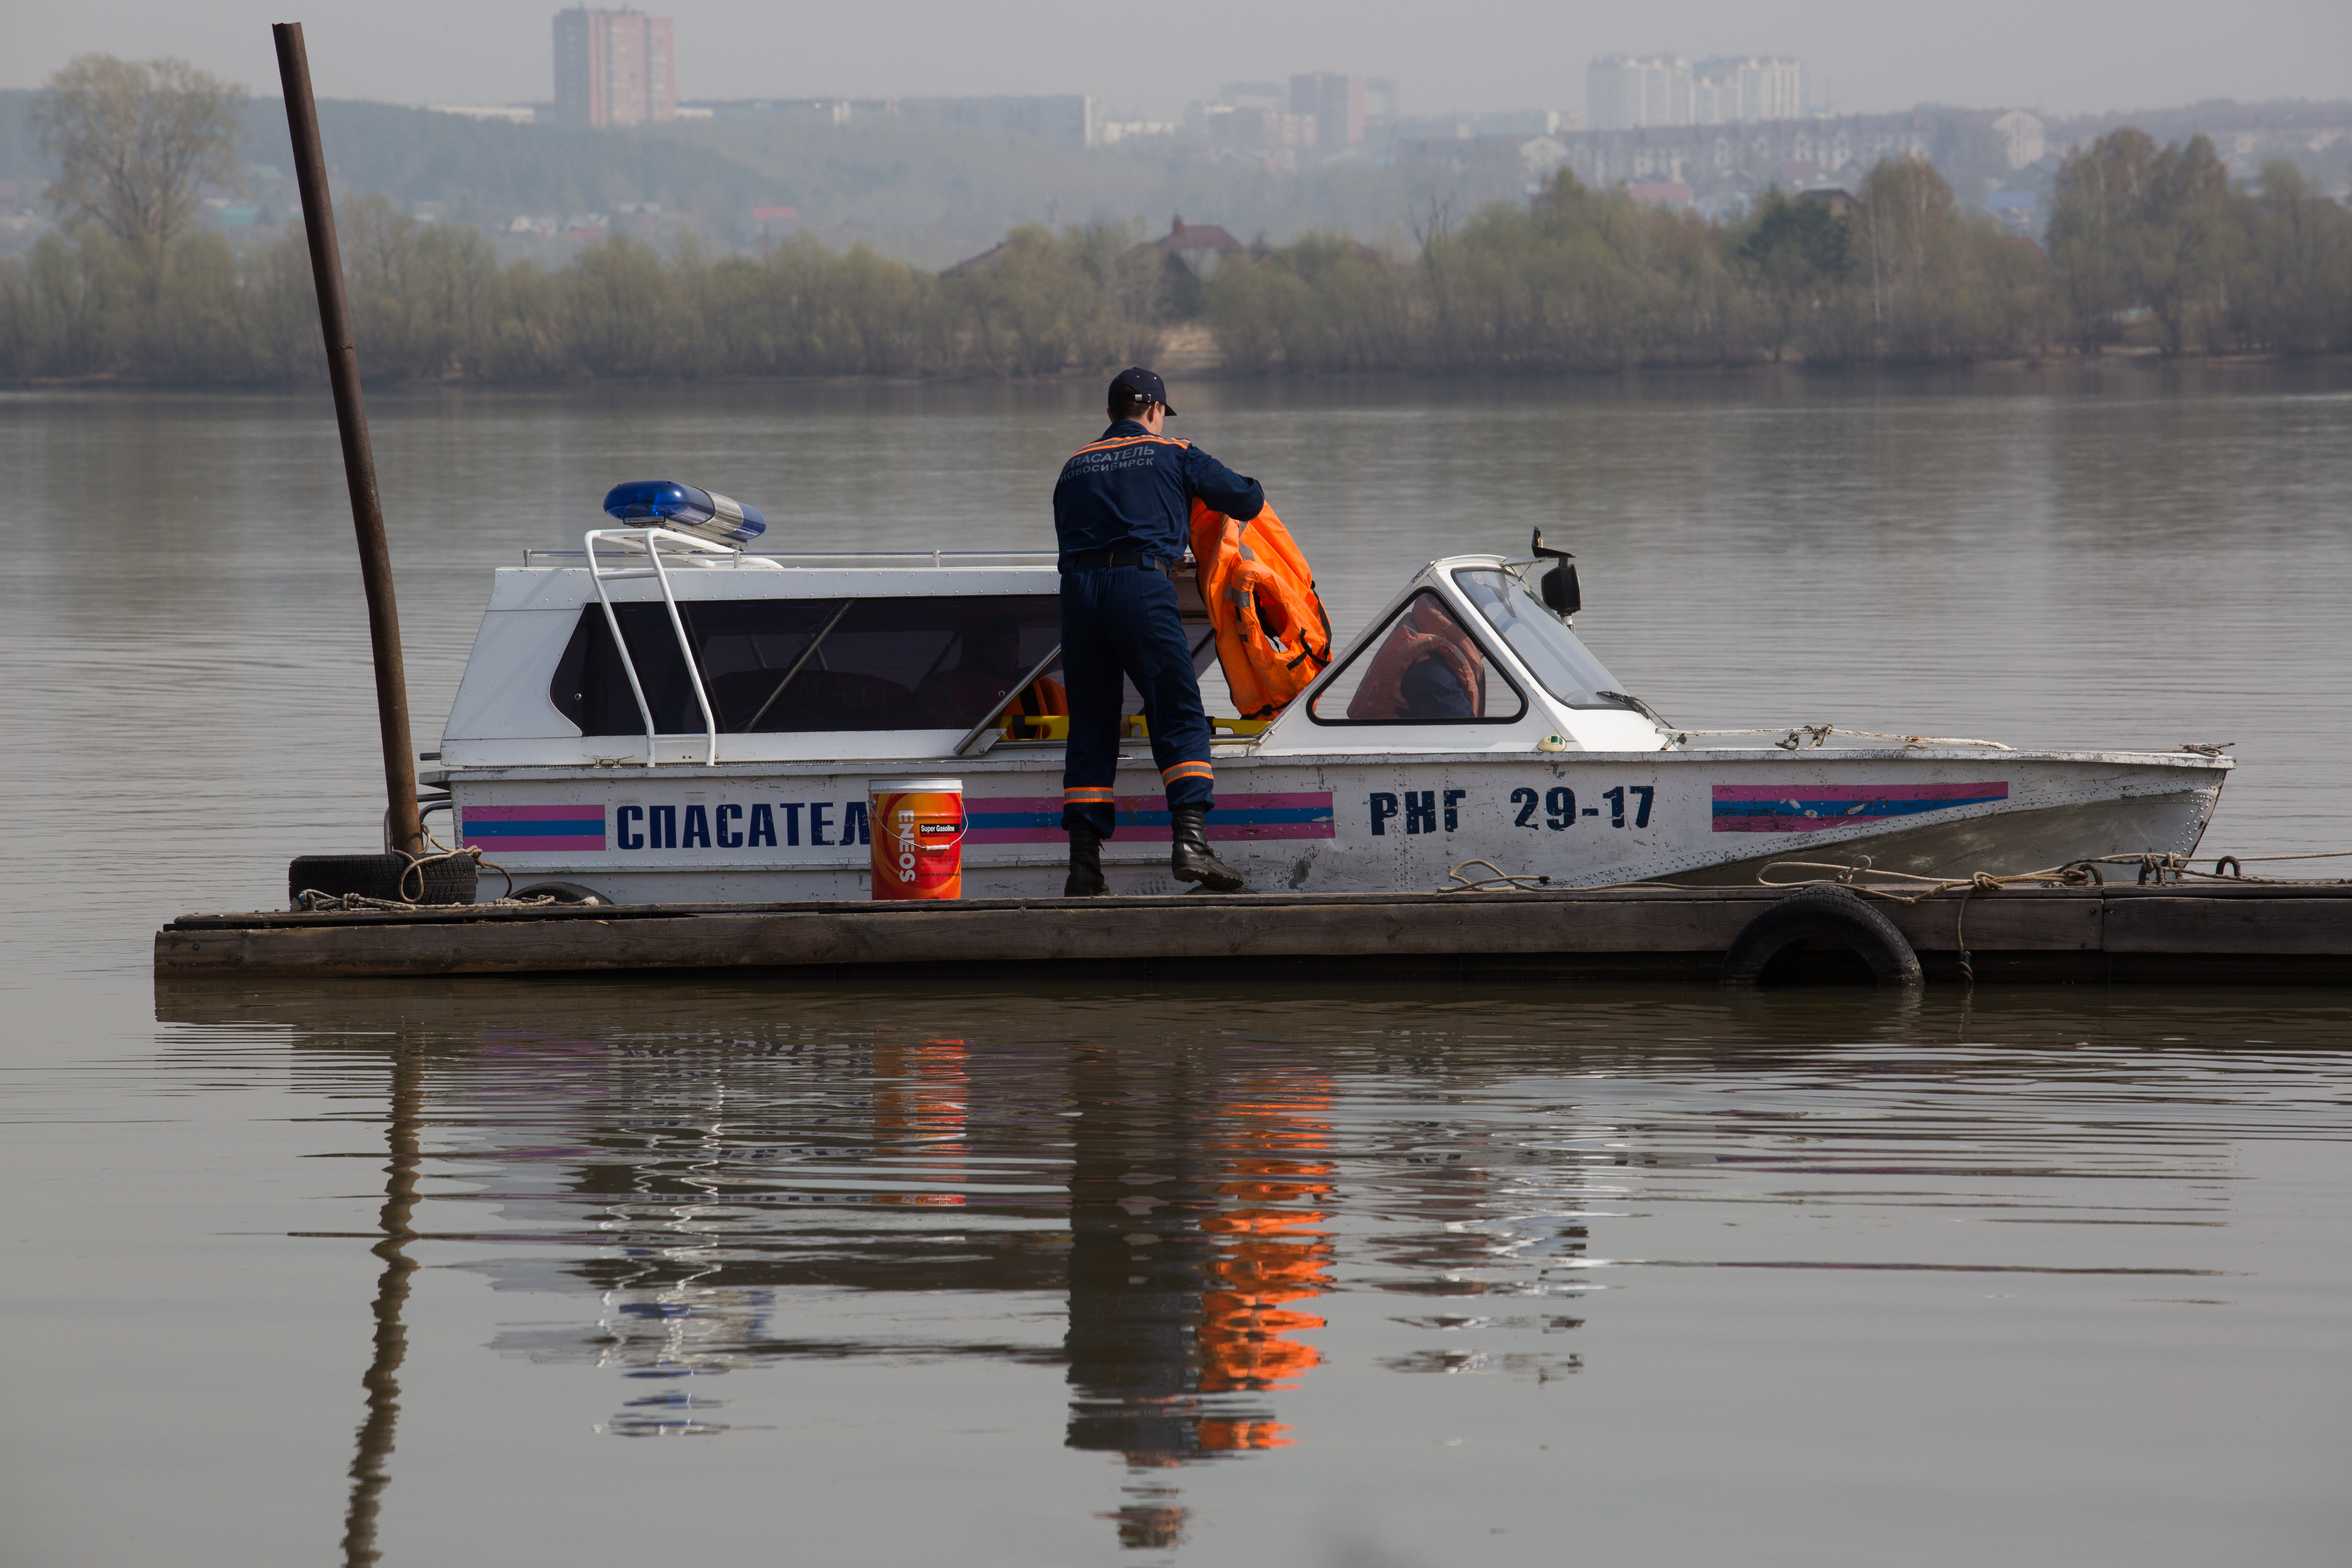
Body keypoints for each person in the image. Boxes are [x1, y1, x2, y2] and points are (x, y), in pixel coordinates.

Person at [1052, 368, 1262, 896]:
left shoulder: (1074, 465)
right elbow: (1247, 499)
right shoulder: (1175, 452)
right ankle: (1191, 843)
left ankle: (1084, 869)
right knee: (1177, 709)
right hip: (1140, 588)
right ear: (1155, 411)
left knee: (1091, 725)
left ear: (1109, 414)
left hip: (1079, 596)